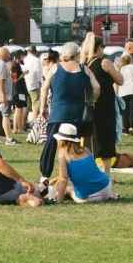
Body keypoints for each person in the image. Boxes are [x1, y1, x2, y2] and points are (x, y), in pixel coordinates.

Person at [41, 43, 93, 179]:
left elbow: (44, 88)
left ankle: (45, 175)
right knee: (73, 146)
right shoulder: (84, 69)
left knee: (51, 144)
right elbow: (97, 87)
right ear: (76, 54)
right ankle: (72, 176)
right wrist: (91, 101)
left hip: (57, 112)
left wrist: (42, 108)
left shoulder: (55, 68)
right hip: (76, 114)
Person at [48, 125, 116, 202]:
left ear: (61, 140)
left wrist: (59, 201)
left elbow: (63, 179)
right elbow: (87, 172)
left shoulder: (62, 155)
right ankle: (110, 195)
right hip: (106, 187)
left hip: (90, 197)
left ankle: (58, 196)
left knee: (68, 189)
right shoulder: (86, 150)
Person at [81, 33, 121, 168]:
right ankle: (106, 173)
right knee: (105, 141)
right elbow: (120, 80)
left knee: (91, 140)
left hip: (90, 107)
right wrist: (118, 67)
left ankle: (92, 170)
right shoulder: (105, 62)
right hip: (105, 106)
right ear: (99, 48)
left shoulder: (85, 64)